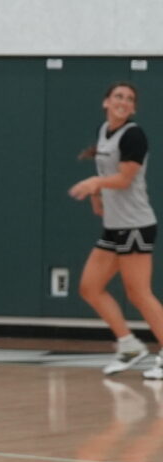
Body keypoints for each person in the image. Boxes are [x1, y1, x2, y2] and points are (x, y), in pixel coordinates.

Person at [66, 80, 163, 381]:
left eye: (129, 98)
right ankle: (129, 345)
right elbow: (105, 169)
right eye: (118, 96)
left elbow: (123, 180)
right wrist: (97, 195)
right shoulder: (104, 131)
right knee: (89, 288)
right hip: (114, 226)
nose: (123, 101)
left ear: (133, 108)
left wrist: (95, 185)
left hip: (136, 224)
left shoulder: (134, 136)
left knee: (138, 293)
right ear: (106, 102)